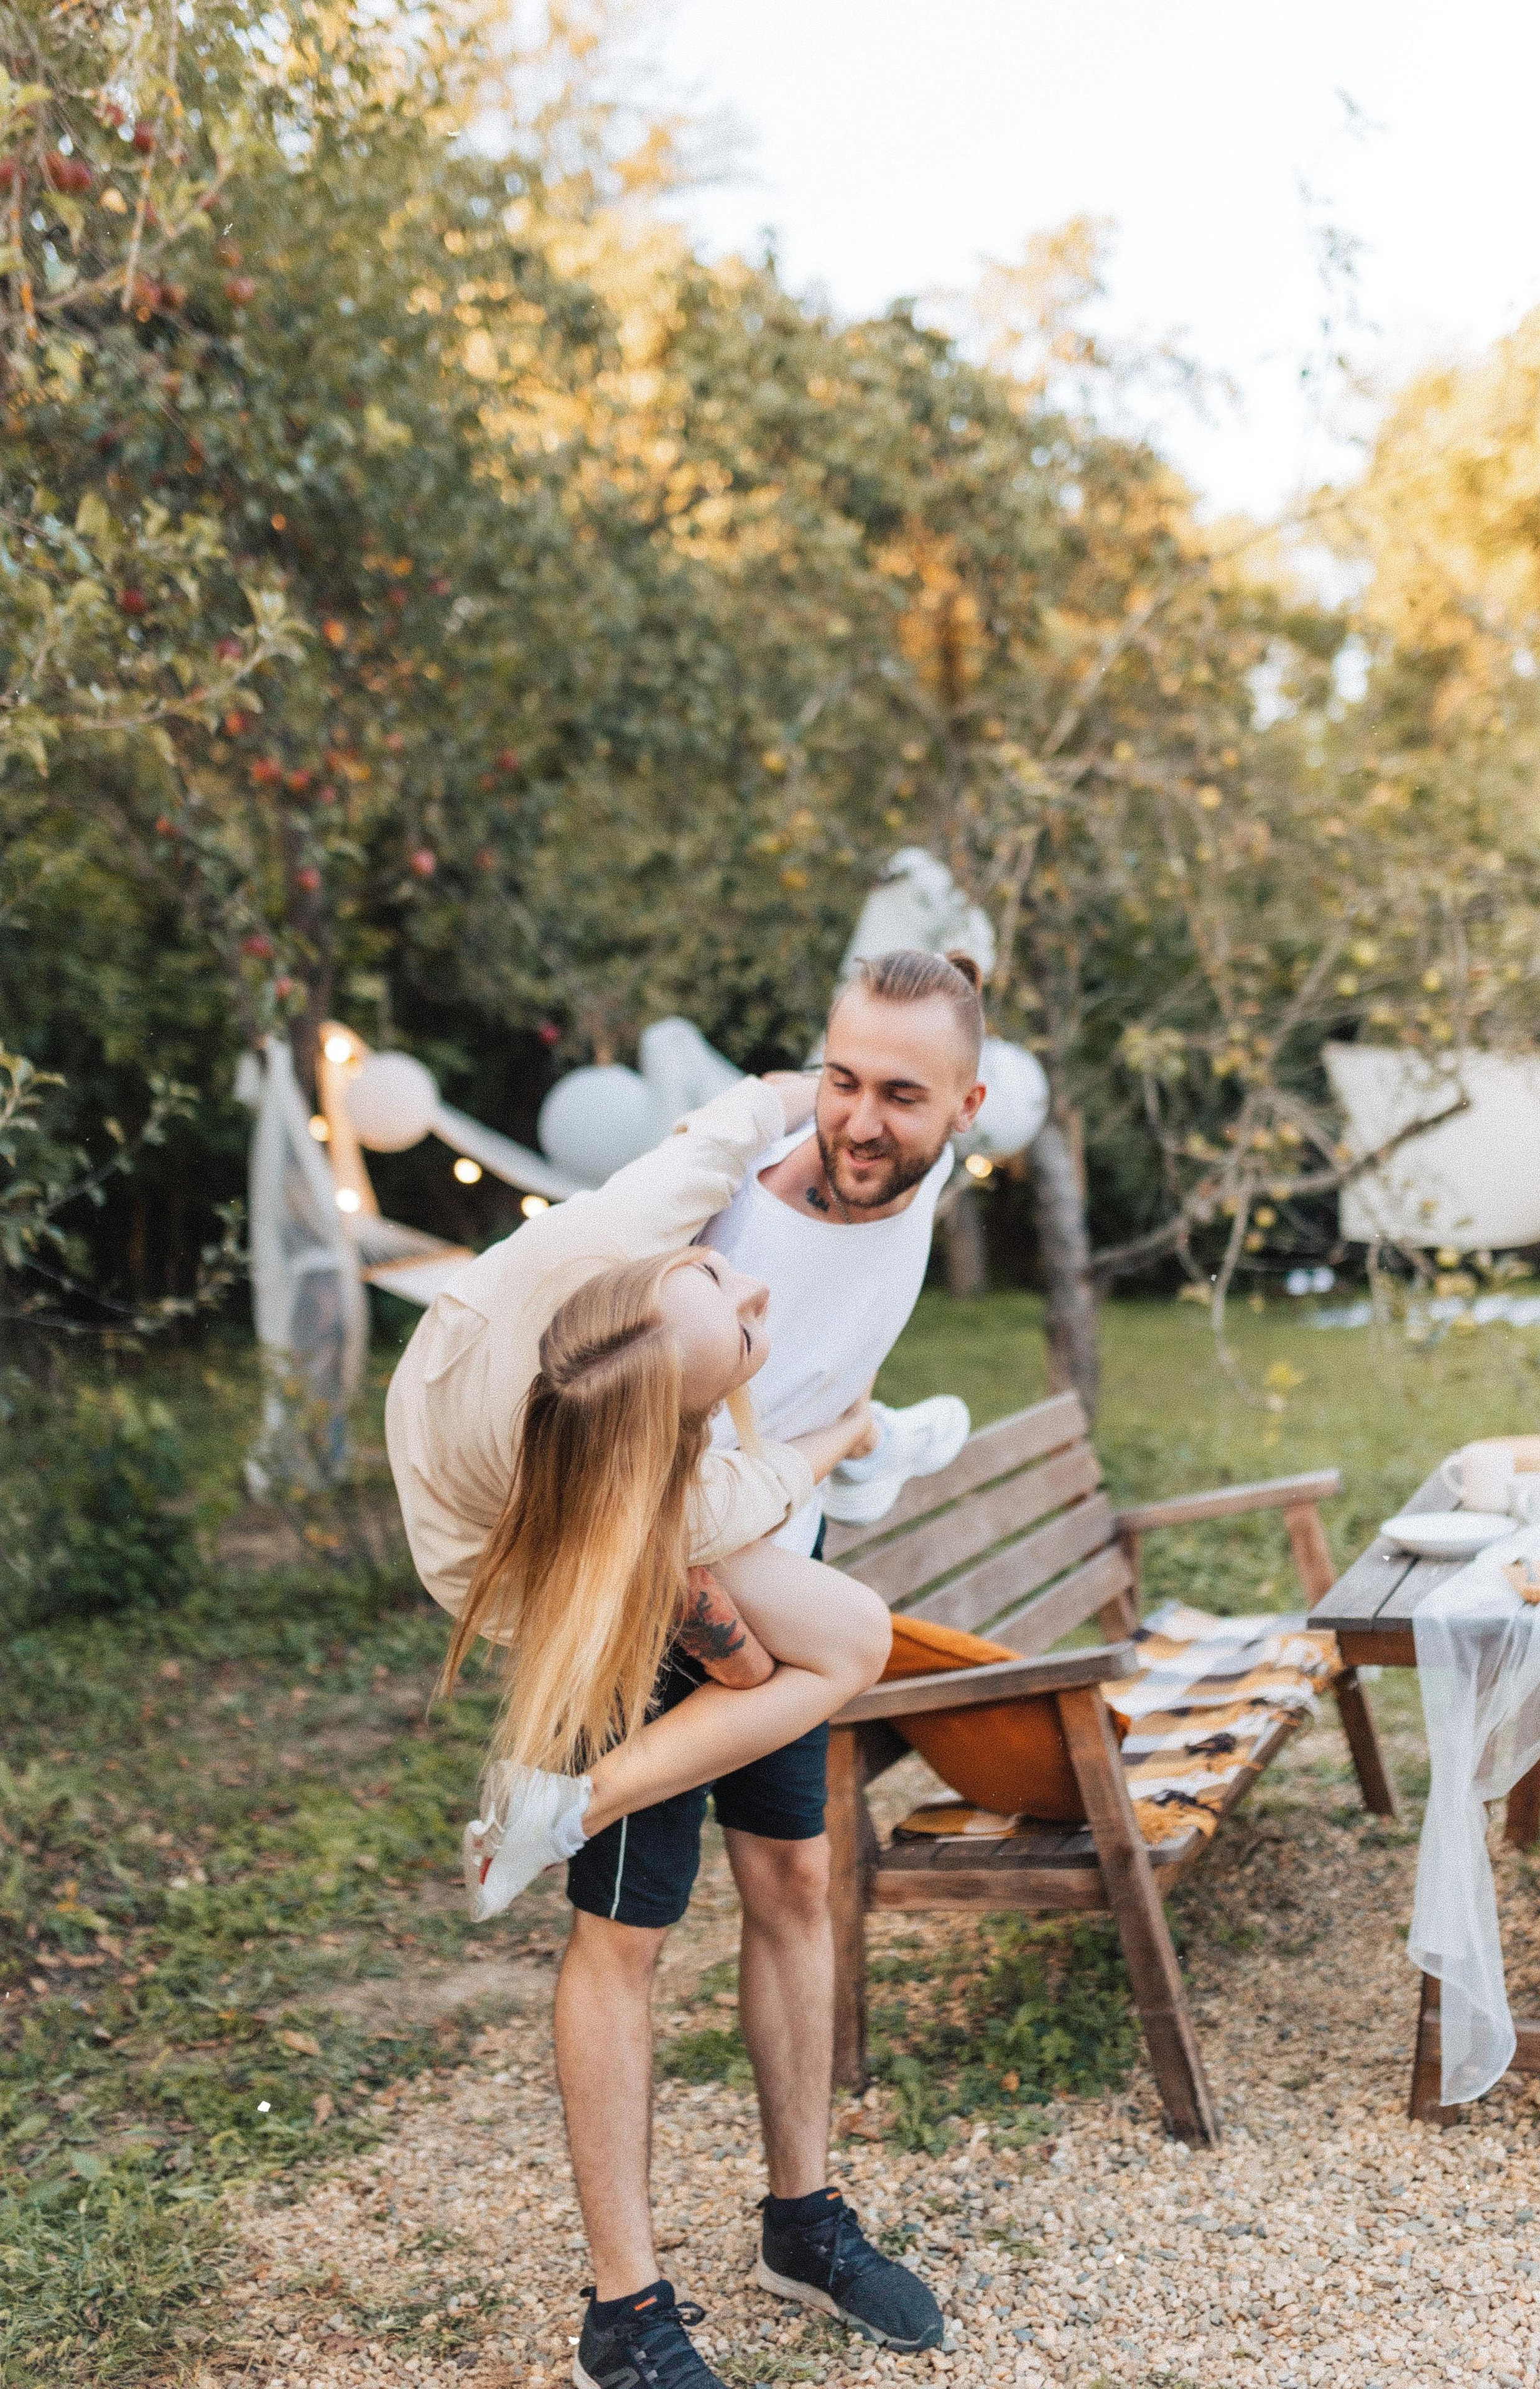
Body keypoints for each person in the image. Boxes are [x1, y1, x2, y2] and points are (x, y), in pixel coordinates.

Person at [555, 950, 988, 2389]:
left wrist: (844, 1467)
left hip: (771, 1569)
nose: (857, 1122)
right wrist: (716, 1632)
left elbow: (825, 1392)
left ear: (963, 1110)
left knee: (796, 1885)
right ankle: (623, 2313)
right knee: (624, 1931)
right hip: (639, 1589)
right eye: (840, 1080)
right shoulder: (716, 1201)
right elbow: (603, 1426)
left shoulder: (916, 1186)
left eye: (898, 1096)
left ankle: (800, 2221)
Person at [386, 1069, 893, 1917]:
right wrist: (853, 1431)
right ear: (674, 1437)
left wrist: (838, 1082)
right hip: (485, 1539)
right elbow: (765, 1482)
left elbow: (744, 1113)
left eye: (712, 1275)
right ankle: (567, 1807)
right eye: (746, 1334)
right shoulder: (665, 1498)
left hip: (503, 1408)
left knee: (754, 1662)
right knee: (852, 1640)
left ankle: (592, 1763)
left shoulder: (620, 1228)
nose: (758, 1289)